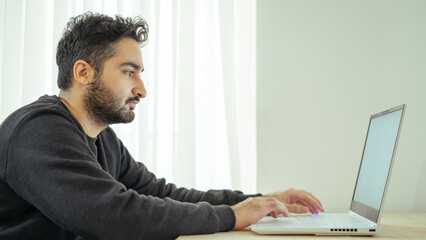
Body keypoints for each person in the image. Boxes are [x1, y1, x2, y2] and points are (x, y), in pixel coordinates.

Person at [0, 12, 323, 240]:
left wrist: (261, 201)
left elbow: (158, 193)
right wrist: (235, 216)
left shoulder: (102, 138)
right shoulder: (38, 129)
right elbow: (111, 215)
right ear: (83, 73)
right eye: (129, 72)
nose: (141, 89)